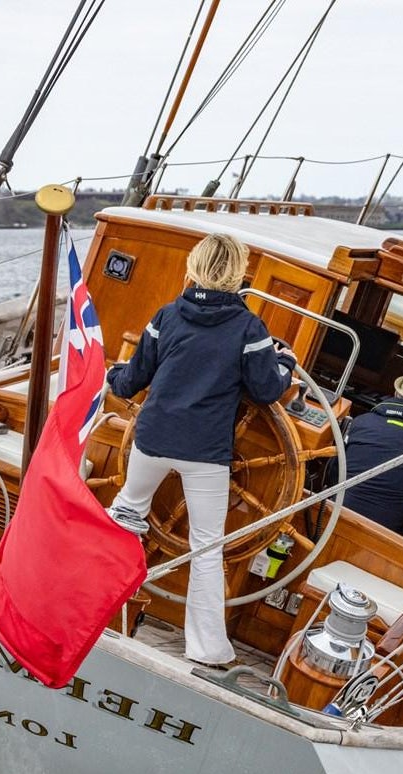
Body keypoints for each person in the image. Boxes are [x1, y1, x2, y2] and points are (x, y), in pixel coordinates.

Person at [105, 233, 295, 666]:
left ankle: (90, 597)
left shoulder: (167, 316)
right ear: (238, 274)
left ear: (194, 267)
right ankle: (206, 649)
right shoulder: (249, 329)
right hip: (204, 452)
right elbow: (267, 389)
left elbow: (132, 381)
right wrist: (285, 361)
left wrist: (113, 376)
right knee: (206, 548)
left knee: (126, 515)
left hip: (152, 440)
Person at [340, 370, 403, 534]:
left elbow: (333, 469)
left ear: (396, 393)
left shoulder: (361, 422)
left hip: (338, 513)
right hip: (389, 533)